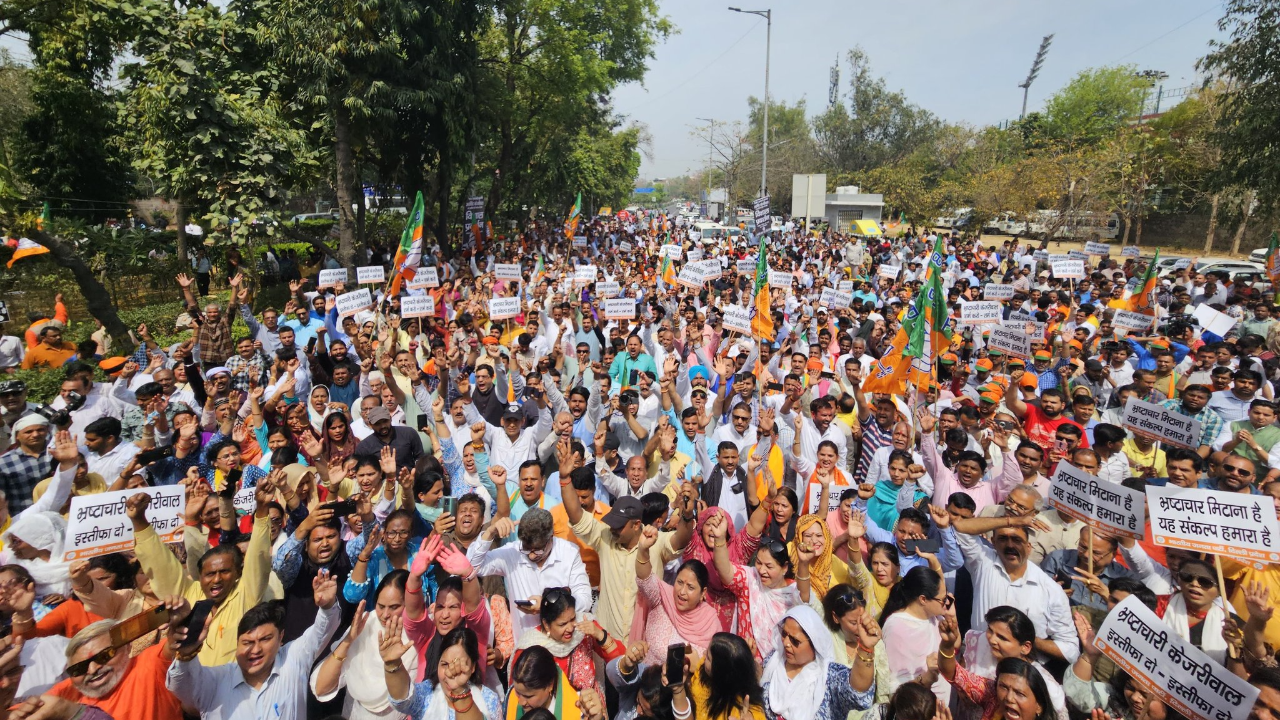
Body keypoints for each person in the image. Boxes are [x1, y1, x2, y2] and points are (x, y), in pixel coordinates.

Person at [165, 570, 342, 718]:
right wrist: (187, 650)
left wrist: (327, 607)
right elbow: (181, 685)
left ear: (281, 638)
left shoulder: (292, 660)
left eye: (265, 639)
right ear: (237, 644)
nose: (255, 650)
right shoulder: (216, 681)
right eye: (247, 642)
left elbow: (321, 631)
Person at [43, 596, 192, 720]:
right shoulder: (70, 688)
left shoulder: (149, 665)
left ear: (127, 648)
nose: (93, 669)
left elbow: (179, 642)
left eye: (104, 656)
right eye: (79, 668)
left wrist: (183, 621)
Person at [310, 570, 419, 720]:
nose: (385, 614)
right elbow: (321, 688)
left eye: (394, 607)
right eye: (381, 606)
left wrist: (392, 662)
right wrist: (349, 639)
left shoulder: (419, 636)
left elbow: (405, 699)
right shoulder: (365, 624)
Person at [704, 512, 801, 660]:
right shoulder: (750, 579)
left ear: (784, 568)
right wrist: (720, 538)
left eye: (769, 566)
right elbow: (725, 570)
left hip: (780, 666)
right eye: (759, 563)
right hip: (745, 663)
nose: (762, 570)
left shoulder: (795, 594)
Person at [759, 605, 877, 720]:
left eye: (795, 640)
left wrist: (866, 648)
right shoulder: (773, 661)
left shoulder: (829, 677)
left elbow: (856, 689)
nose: (786, 643)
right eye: (784, 634)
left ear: (814, 643)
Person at [633, 525, 719, 665]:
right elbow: (644, 578)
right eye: (680, 582)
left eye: (690, 587)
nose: (682, 592)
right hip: (649, 680)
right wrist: (643, 549)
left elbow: (712, 664)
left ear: (703, 593)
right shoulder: (662, 597)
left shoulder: (710, 621)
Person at [511, 586, 623, 691]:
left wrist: (600, 635)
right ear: (546, 624)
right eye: (562, 624)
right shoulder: (529, 646)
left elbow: (621, 664)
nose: (570, 628)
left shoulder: (584, 627)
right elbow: (520, 694)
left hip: (592, 708)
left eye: (573, 619)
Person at [384, 623, 504, 720]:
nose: (450, 673)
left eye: (458, 665)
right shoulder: (427, 693)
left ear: (472, 667)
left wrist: (460, 691)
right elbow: (402, 699)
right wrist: (393, 664)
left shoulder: (489, 700)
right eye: (445, 664)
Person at [878, 565, 951, 700]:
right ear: (923, 599)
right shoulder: (896, 627)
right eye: (942, 600)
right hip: (916, 708)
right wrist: (928, 676)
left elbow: (955, 645)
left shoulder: (936, 618)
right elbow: (895, 686)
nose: (946, 603)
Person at [821, 584, 891, 710]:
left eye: (862, 619)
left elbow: (883, 693)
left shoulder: (876, 643)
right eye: (853, 623)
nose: (860, 627)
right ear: (836, 618)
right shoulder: (826, 638)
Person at [669, 632, 766, 720]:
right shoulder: (703, 668)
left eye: (708, 658)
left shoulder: (748, 713)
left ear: (721, 673)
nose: (703, 653)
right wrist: (678, 689)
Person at [503, 644, 606, 720]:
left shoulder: (580, 710)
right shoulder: (511, 698)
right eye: (518, 693)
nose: (521, 702)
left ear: (550, 685)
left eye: (528, 696)